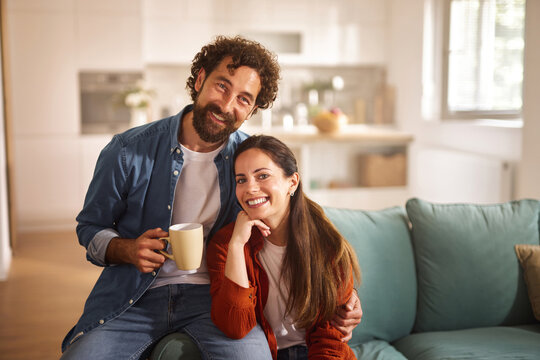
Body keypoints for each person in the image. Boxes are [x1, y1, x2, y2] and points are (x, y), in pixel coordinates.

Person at [61, 36, 361, 360]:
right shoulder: (127, 150)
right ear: (201, 78)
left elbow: (293, 211)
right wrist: (125, 249)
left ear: (252, 109)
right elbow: (90, 227)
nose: (228, 105)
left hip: (213, 297)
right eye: (222, 86)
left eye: (244, 99)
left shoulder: (246, 159)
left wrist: (342, 296)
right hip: (135, 294)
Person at [207, 135, 362, 360]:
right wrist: (237, 245)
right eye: (241, 180)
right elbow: (235, 327)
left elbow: (330, 339)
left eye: (262, 176)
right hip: (262, 353)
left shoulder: (328, 245)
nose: (250, 188)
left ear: (292, 182)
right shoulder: (226, 244)